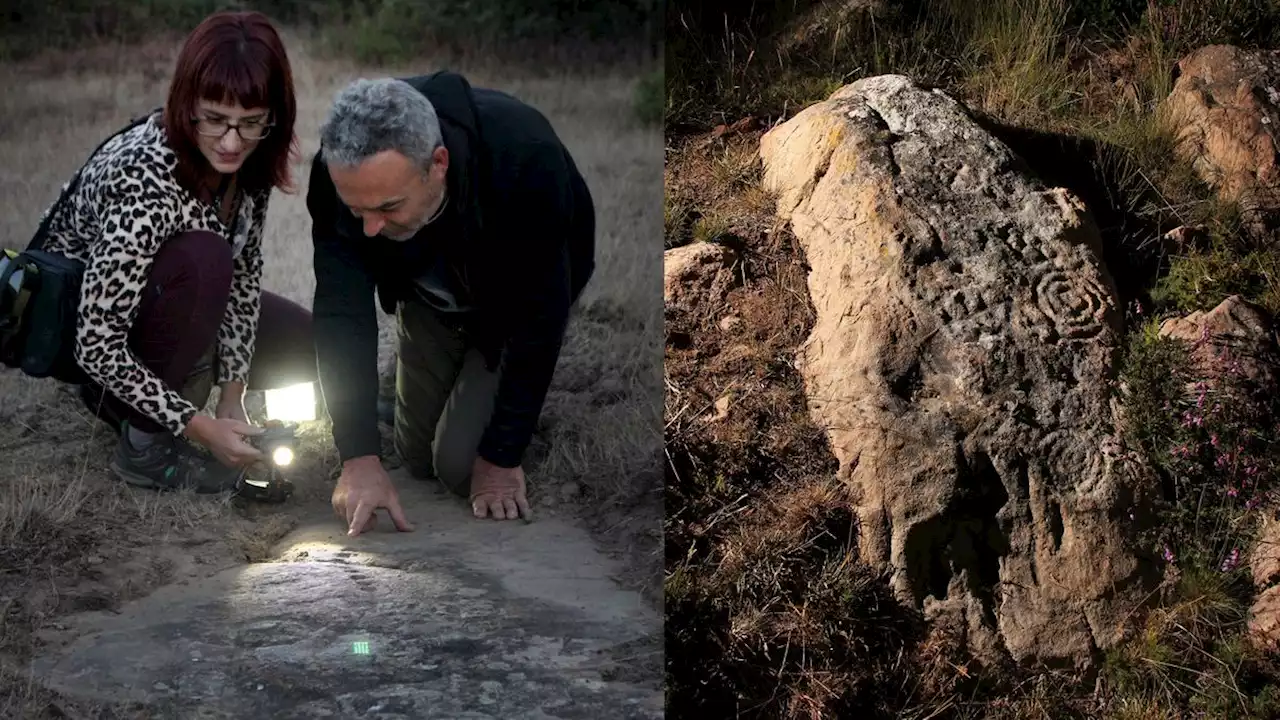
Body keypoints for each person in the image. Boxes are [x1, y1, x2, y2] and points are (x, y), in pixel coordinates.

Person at [37, 11, 316, 493]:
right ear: (187, 105)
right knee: (207, 260)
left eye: (251, 123)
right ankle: (144, 445)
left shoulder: (253, 158)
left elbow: (246, 275)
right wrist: (202, 428)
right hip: (99, 355)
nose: (232, 142)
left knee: (308, 342)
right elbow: (96, 347)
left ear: (274, 118)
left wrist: (233, 396)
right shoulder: (144, 174)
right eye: (215, 120)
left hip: (182, 305)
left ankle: (205, 396)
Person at [309, 72, 595, 536]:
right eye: (357, 210)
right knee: (416, 458)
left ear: (437, 163)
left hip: (514, 299)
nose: (369, 229)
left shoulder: (523, 156)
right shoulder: (337, 169)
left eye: (387, 207)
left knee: (460, 468)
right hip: (429, 292)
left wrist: (502, 457)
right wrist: (358, 457)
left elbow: (540, 319)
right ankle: (430, 358)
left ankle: (477, 362)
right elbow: (342, 312)